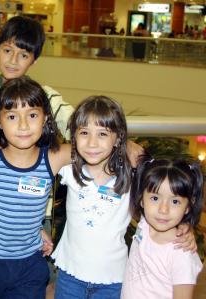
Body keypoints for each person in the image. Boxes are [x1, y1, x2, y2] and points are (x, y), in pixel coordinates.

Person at [50, 96, 197, 299]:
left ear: (118, 138)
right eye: (84, 133)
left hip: (112, 282)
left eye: (102, 134)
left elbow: (167, 194)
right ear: (74, 136)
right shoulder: (69, 169)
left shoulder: (131, 176)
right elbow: (31, 157)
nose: (92, 143)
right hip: (69, 277)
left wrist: (184, 225)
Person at [0, 77, 72, 299]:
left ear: (45, 117)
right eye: (11, 116)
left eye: (32, 115)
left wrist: (125, 144)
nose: (23, 125)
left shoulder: (52, 158)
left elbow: (92, 147)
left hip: (29, 262)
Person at [0, 15, 74, 145]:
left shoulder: (46, 96)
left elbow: (79, 126)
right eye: (7, 50)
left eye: (23, 55)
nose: (13, 61)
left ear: (34, 60)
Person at [121, 158, 203, 299]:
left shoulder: (181, 253)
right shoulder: (145, 223)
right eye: (155, 198)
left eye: (175, 201)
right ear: (141, 198)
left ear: (188, 206)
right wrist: (187, 225)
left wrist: (187, 225)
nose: (163, 210)